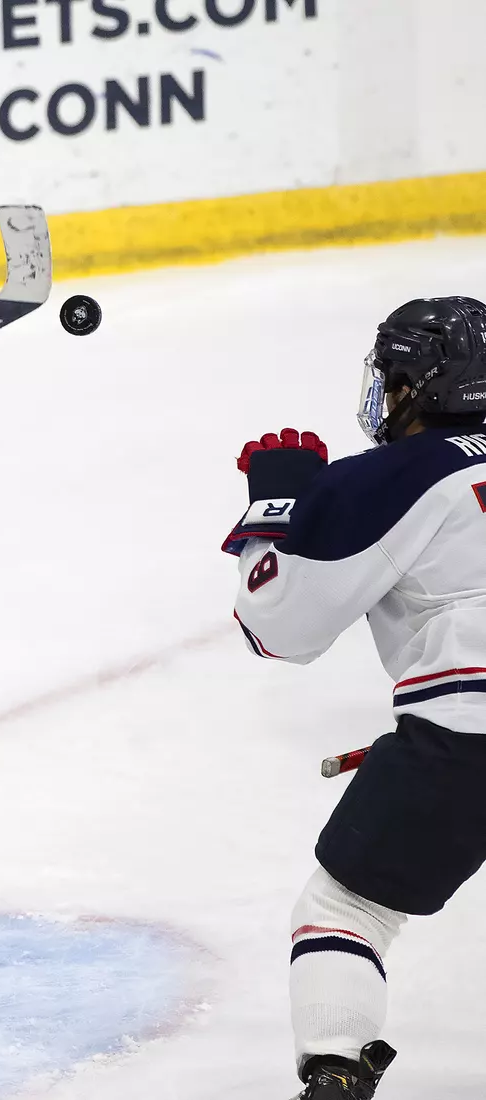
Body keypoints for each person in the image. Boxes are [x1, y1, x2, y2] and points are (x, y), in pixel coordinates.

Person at [224, 296, 486, 1098]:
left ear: (412, 385)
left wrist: (276, 507)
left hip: (463, 740)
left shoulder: (392, 476)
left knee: (346, 909)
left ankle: (336, 1072)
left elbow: (279, 629)